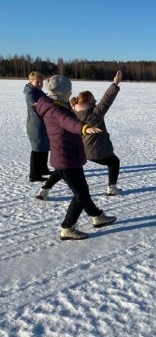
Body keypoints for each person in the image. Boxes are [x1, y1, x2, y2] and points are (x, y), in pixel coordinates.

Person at [35, 75, 117, 240]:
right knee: (80, 194)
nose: (71, 92)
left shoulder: (55, 104)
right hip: (66, 156)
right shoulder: (55, 109)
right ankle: (67, 227)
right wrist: (85, 127)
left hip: (68, 154)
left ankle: (97, 216)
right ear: (63, 91)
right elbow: (67, 122)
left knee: (82, 192)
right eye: (69, 89)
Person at [37, 71, 124, 199]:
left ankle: (44, 190)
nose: (95, 101)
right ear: (88, 100)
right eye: (93, 99)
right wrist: (115, 83)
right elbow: (106, 100)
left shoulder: (71, 111)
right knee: (114, 162)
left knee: (61, 170)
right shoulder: (95, 113)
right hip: (96, 151)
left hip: (79, 150)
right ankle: (112, 188)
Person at [23, 71, 52, 182]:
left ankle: (43, 169)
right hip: (35, 124)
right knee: (37, 149)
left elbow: (47, 99)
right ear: (31, 81)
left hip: (42, 123)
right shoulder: (30, 92)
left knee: (44, 146)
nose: (40, 84)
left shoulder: (38, 91)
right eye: (37, 82)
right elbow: (33, 103)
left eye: (41, 82)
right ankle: (34, 175)